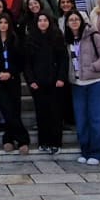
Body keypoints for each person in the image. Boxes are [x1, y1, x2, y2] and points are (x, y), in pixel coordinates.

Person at [65, 10, 100, 165]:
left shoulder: (94, 36)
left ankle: (98, 152)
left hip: (95, 82)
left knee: (98, 118)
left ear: (82, 21)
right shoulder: (68, 40)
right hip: (77, 84)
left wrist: (93, 67)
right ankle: (85, 150)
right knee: (81, 119)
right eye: (70, 19)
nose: (73, 22)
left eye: (76, 19)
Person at [24, 11, 67, 155]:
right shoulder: (30, 39)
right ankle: (44, 142)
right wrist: (31, 81)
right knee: (42, 114)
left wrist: (61, 78)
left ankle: (56, 143)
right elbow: (27, 64)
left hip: (56, 83)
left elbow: (63, 59)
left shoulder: (57, 37)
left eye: (45, 20)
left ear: (50, 22)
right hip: (38, 83)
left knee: (56, 113)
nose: (42, 22)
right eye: (40, 20)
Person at [0, 13, 30, 153]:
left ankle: (9, 139)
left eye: (5, 22)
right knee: (6, 110)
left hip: (13, 79)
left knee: (15, 109)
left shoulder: (15, 39)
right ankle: (23, 139)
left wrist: (10, 73)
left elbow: (21, 62)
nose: (3, 25)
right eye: (0, 22)